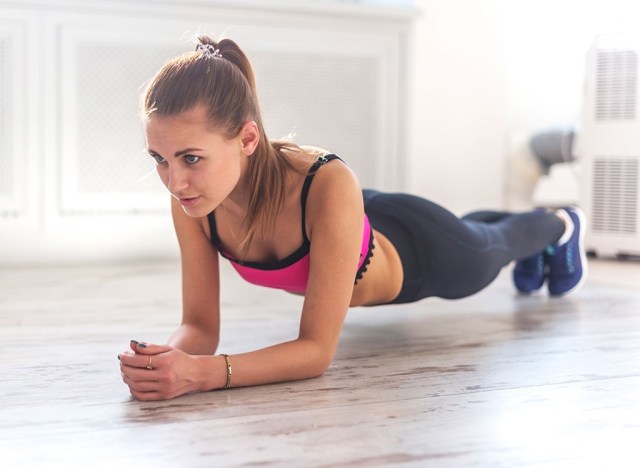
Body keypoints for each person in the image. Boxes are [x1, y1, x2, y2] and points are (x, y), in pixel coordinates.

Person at [118, 36, 587, 401]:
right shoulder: (194, 203)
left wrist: (204, 374)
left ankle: (561, 224)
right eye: (159, 159)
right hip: (351, 221)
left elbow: (316, 351)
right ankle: (522, 232)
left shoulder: (324, 178)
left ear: (246, 139)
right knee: (479, 230)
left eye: (191, 158)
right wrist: (166, 359)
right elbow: (200, 327)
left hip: (415, 249)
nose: (174, 181)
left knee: (489, 248)